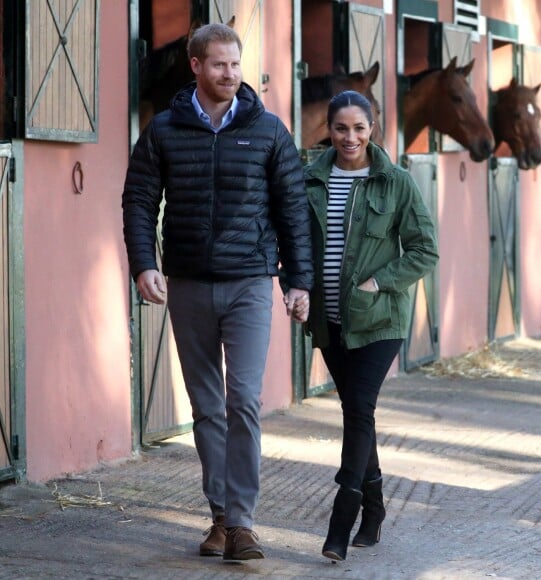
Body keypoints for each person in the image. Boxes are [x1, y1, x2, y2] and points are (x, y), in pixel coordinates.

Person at [122, 23, 313, 562]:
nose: (230, 74)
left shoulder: (269, 130)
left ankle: (244, 524)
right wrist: (143, 265)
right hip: (186, 285)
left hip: (251, 283)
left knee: (243, 401)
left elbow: (293, 211)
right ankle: (220, 518)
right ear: (196, 66)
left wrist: (299, 281)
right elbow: (138, 201)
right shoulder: (162, 131)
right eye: (219, 65)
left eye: (236, 65)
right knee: (207, 407)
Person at [300, 90, 439, 561]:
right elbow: (297, 241)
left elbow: (425, 249)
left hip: (380, 321)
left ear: (372, 129)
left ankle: (343, 517)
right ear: (330, 130)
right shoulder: (310, 179)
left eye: (359, 128)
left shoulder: (395, 182)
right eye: (341, 128)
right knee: (358, 413)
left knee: (359, 408)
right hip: (331, 320)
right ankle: (376, 506)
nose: (350, 137)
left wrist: (381, 282)